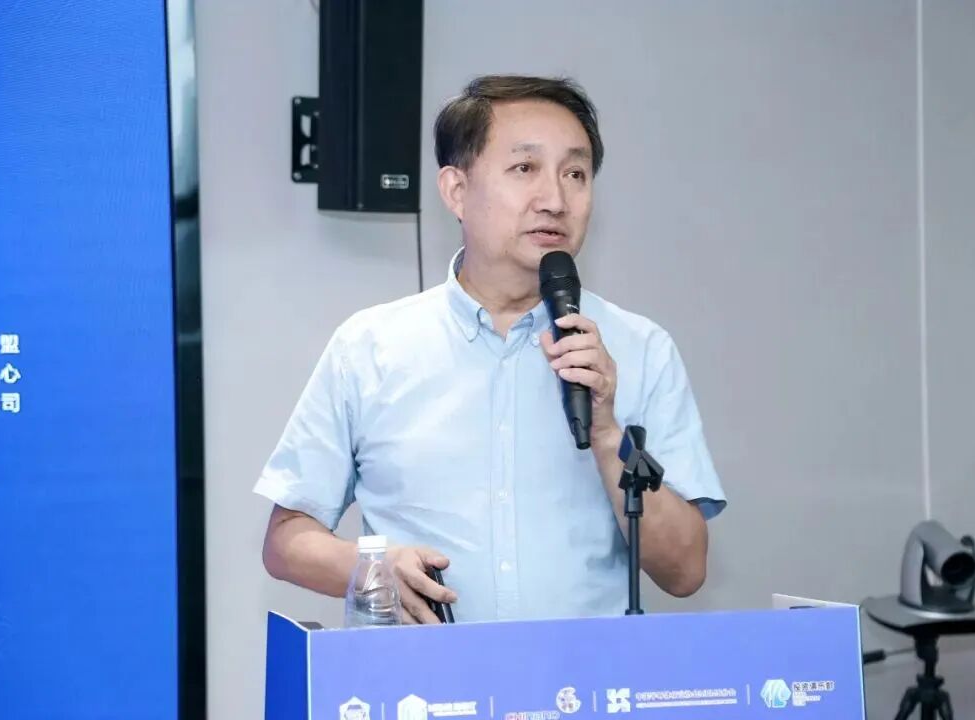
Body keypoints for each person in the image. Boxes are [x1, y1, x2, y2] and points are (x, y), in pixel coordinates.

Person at [255, 75, 726, 624]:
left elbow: (685, 571)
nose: (555, 200)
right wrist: (371, 568)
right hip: (421, 676)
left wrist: (605, 433)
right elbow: (285, 541)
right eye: (525, 168)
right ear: (456, 190)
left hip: (585, 675)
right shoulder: (370, 348)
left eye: (575, 174)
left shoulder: (641, 349)